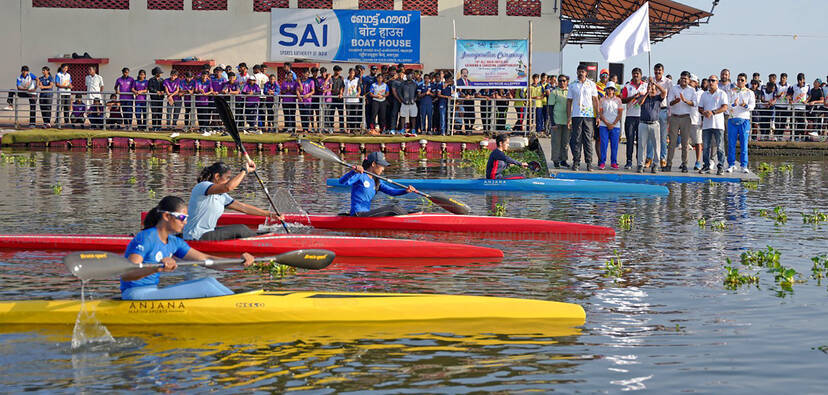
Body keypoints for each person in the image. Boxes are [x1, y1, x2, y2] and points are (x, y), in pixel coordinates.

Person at [120, 196, 255, 301]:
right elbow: (127, 274)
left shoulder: (174, 242)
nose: (185, 222)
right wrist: (157, 267)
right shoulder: (145, 238)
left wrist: (239, 262)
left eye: (187, 218)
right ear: (167, 216)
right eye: (182, 217)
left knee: (209, 281)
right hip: (135, 294)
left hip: (152, 291)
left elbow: (207, 259)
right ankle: (244, 307)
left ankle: (241, 303)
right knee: (205, 287)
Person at [183, 161, 282, 241]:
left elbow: (243, 207)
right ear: (217, 176)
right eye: (227, 178)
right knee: (241, 229)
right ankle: (263, 241)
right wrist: (244, 171)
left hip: (207, 233)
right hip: (195, 236)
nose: (228, 180)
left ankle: (264, 236)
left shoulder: (222, 196)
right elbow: (228, 187)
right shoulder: (202, 186)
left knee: (249, 230)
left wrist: (270, 214)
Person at [338, 152, 417, 217]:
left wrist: (406, 191)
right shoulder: (360, 175)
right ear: (373, 164)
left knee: (407, 210)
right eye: (382, 165)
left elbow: (392, 192)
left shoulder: (377, 181)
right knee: (393, 208)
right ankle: (411, 219)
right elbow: (342, 182)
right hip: (358, 214)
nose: (383, 169)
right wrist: (353, 172)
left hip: (366, 214)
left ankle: (414, 215)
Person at [566, 64, 600, 171]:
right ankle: (576, 162)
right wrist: (569, 117)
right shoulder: (572, 85)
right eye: (579, 71)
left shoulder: (591, 84)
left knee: (588, 140)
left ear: (586, 73)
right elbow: (569, 102)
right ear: (577, 72)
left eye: (583, 71)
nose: (581, 73)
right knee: (576, 139)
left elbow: (595, 100)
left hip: (589, 116)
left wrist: (598, 115)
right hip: (576, 115)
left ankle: (589, 163)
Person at [666, 71, 698, 172]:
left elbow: (695, 103)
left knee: (685, 143)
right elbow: (669, 103)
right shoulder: (674, 88)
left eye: (685, 79)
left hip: (686, 118)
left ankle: (684, 164)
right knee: (672, 142)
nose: (683, 80)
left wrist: (685, 101)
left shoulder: (692, 90)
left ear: (689, 80)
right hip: (674, 117)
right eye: (682, 78)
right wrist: (676, 101)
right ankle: (669, 164)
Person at [699, 75, 729, 175]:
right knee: (706, 146)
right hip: (707, 124)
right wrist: (704, 113)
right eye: (709, 80)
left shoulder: (722, 93)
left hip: (718, 124)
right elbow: (700, 108)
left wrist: (713, 112)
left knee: (720, 146)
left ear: (717, 82)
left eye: (713, 80)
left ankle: (720, 166)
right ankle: (706, 165)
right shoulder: (704, 94)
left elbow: (725, 107)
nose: (711, 82)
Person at [635, 78, 667, 173]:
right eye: (649, 88)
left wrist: (655, 84)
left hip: (655, 124)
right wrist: (646, 93)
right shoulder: (643, 97)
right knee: (641, 145)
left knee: (656, 145)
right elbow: (639, 103)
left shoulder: (658, 98)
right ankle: (640, 164)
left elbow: (664, 92)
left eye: (653, 88)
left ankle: (655, 164)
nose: (651, 89)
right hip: (643, 124)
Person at [727, 73, 755, 173]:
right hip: (732, 119)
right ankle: (731, 164)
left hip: (744, 120)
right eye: (738, 80)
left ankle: (744, 165)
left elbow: (752, 106)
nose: (740, 82)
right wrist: (733, 104)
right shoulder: (732, 91)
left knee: (744, 144)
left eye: (742, 80)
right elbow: (727, 105)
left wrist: (745, 105)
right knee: (731, 144)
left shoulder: (749, 92)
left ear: (746, 81)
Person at [597, 82, 623, 169]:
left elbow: (620, 113)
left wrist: (613, 123)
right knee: (603, 144)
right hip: (604, 125)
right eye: (609, 89)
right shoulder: (602, 100)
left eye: (612, 89)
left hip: (615, 125)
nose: (610, 90)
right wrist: (607, 123)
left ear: (614, 90)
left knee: (614, 145)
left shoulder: (618, 100)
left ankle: (613, 162)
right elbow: (600, 113)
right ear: (606, 90)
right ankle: (602, 162)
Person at [549, 75, 570, 168]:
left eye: (564, 80)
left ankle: (564, 160)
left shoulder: (570, 92)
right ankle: (556, 160)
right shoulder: (554, 92)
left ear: (567, 82)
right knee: (556, 142)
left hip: (567, 121)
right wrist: (552, 122)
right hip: (557, 121)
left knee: (565, 142)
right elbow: (550, 108)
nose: (562, 82)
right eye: (560, 81)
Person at [688, 74, 705, 170]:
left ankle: (698, 161)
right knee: (685, 142)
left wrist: (703, 119)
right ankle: (684, 162)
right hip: (686, 119)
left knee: (698, 142)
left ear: (696, 83)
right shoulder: (685, 91)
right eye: (689, 81)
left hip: (697, 120)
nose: (690, 83)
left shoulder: (701, 93)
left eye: (692, 81)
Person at [399, 70, 419, 134]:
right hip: (404, 102)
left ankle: (413, 129)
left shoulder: (415, 84)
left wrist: (415, 99)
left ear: (412, 75)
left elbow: (417, 93)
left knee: (413, 116)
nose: (409, 76)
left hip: (413, 103)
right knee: (402, 116)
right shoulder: (402, 83)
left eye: (410, 74)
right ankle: (402, 129)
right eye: (407, 75)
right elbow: (399, 93)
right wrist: (403, 100)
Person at [343, 68, 362, 132]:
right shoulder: (345, 80)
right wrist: (341, 93)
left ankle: (354, 128)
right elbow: (342, 88)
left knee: (355, 114)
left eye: (353, 73)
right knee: (348, 115)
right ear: (349, 73)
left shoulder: (357, 80)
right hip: (348, 99)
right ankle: (349, 128)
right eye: (351, 73)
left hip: (355, 100)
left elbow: (359, 88)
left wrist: (358, 93)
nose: (352, 74)